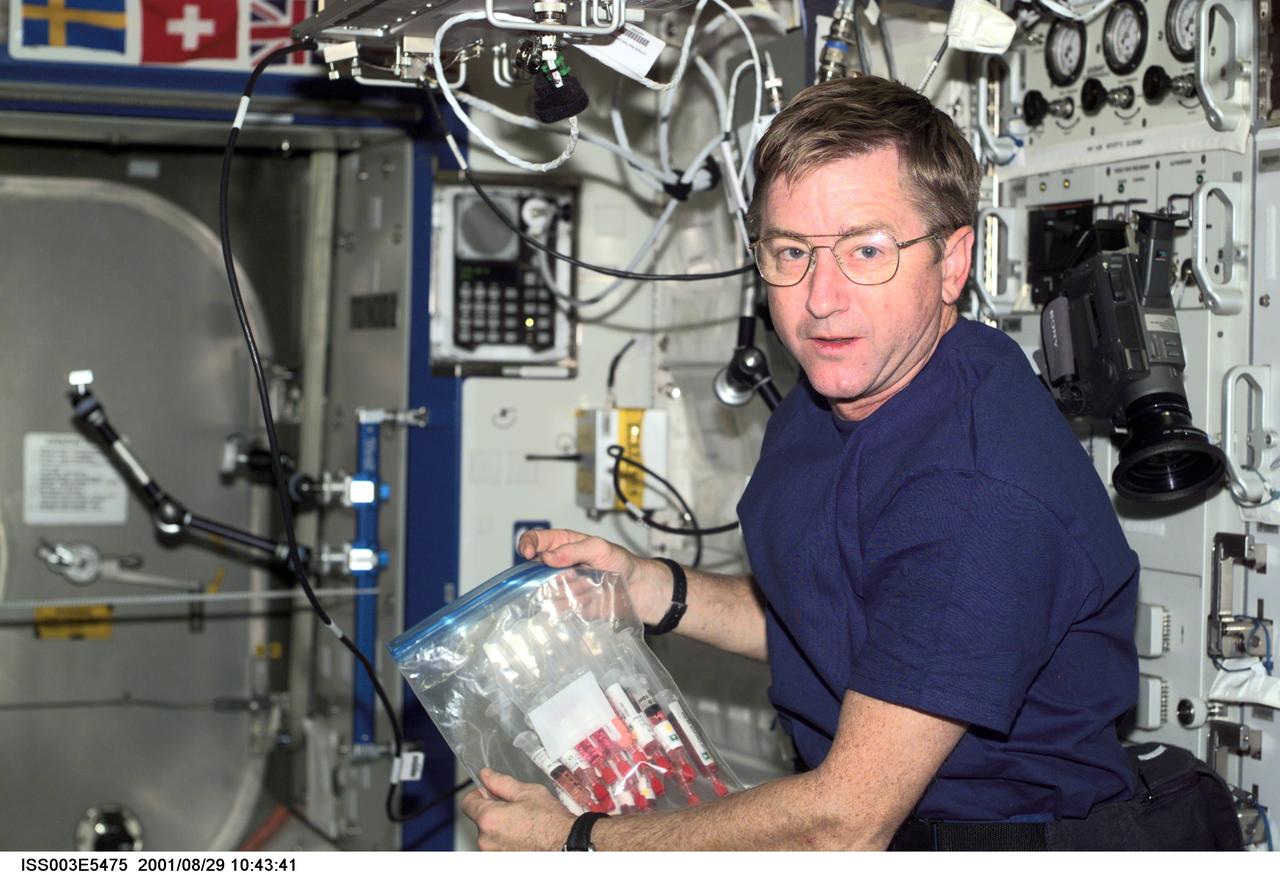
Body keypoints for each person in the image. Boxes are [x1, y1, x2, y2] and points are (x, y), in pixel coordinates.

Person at [459, 74, 1142, 851]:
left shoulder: (975, 494)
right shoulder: (839, 394)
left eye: (866, 250)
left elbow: (844, 822)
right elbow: (844, 616)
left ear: (953, 262)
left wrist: (580, 841)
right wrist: (654, 589)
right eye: (791, 251)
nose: (820, 297)